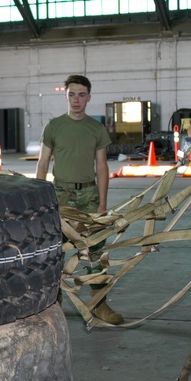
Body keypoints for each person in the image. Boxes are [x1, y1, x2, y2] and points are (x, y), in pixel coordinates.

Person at [36, 74, 123, 326]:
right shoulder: (53, 127)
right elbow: (43, 163)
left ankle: (99, 304)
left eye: (81, 95)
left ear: (89, 98)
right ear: (66, 96)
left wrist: (103, 204)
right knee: (55, 251)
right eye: (72, 94)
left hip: (88, 196)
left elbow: (102, 166)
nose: (76, 100)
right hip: (59, 195)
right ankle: (54, 303)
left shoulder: (96, 129)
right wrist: (41, 199)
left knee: (95, 250)